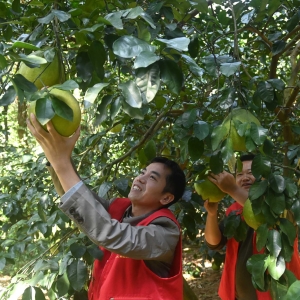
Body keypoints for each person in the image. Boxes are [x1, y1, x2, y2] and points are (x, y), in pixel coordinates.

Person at [27, 115, 186, 300]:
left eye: (152, 178)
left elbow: (109, 232)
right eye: (142, 172)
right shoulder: (117, 209)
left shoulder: (165, 233)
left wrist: (62, 163)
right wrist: (55, 158)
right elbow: (79, 200)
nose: (140, 178)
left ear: (166, 197)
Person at [204, 154, 300, 300]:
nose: (245, 178)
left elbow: (265, 215)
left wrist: (232, 190)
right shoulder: (234, 210)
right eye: (240, 174)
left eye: (251, 173)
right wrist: (211, 214)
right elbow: (214, 243)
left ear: (264, 177)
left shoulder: (279, 204)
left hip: (277, 293)